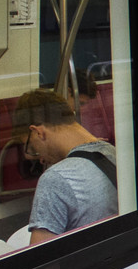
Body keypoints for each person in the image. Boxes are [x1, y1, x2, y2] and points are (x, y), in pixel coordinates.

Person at [13, 89, 118, 245]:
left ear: (38, 132)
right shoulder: (113, 152)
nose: (40, 159)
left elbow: (40, 259)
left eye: (33, 148)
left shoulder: (56, 178)